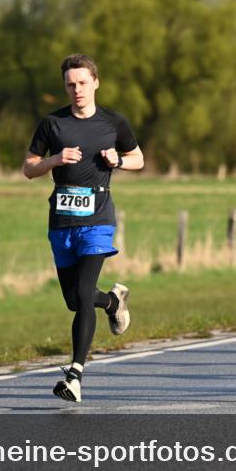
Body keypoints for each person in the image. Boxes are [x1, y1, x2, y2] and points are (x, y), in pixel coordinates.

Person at [23, 54, 145, 403]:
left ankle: (75, 374)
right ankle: (112, 301)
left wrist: (118, 160)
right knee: (76, 300)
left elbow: (139, 158)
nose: (76, 90)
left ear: (95, 82)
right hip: (61, 222)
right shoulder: (52, 123)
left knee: (82, 289)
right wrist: (54, 160)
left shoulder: (113, 123)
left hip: (98, 219)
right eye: (70, 84)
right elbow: (29, 168)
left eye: (82, 83)